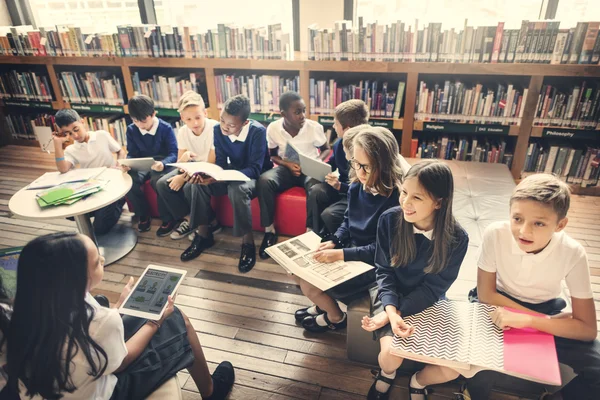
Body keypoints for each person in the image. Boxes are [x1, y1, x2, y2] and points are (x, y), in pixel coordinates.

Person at [5, 232, 234, 400]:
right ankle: (211, 391)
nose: (103, 261)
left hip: (54, 389)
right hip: (107, 392)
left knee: (126, 312)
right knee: (176, 318)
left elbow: (92, 339)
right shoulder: (99, 320)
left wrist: (120, 305)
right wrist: (155, 321)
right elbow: (120, 364)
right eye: (97, 262)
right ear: (76, 280)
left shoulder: (20, 313)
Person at [463, 174, 600, 400]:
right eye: (517, 219)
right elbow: (486, 293)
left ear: (560, 225)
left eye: (539, 223)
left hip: (545, 309)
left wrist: (531, 321)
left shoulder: (573, 252)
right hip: (497, 304)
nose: (524, 232)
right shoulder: (495, 234)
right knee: (478, 369)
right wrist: (541, 321)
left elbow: (587, 330)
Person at [361, 160, 469, 400]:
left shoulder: (457, 238)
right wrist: (390, 310)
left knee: (456, 367)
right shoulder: (389, 220)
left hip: (426, 300)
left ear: (439, 202)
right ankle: (386, 375)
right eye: (404, 192)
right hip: (388, 293)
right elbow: (384, 271)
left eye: (417, 198)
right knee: (391, 356)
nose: (405, 203)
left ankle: (418, 381)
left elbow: (434, 288)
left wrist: (396, 313)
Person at [295, 126, 403, 333]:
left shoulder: (395, 201)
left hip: (373, 265)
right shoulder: (356, 186)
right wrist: (335, 239)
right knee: (295, 272)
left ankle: (335, 316)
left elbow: (382, 251)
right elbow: (347, 220)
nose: (360, 172)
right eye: (355, 163)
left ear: (385, 165)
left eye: (367, 167)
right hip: (353, 251)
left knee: (308, 283)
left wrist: (341, 254)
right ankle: (323, 305)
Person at [180, 95, 271, 273]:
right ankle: (203, 235)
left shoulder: (257, 132)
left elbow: (255, 168)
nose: (224, 127)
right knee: (197, 184)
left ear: (244, 123)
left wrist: (225, 177)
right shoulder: (217, 129)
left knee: (237, 190)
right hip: (230, 172)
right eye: (222, 120)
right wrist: (210, 174)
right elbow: (221, 161)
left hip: (252, 176)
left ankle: (248, 243)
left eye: (230, 125)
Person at [256, 91, 331, 259]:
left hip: (309, 168)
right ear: (283, 114)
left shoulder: (314, 127)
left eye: (304, 110)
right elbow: (272, 155)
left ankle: (310, 233)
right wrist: (286, 164)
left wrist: (317, 160)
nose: (302, 116)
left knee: (316, 189)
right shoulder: (274, 128)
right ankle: (269, 231)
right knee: (264, 181)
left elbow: (326, 149)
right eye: (297, 112)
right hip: (287, 168)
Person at [155, 91, 220, 240]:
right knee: (162, 184)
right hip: (192, 167)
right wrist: (183, 161)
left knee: (190, 185)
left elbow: (210, 165)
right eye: (189, 119)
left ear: (205, 113)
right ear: (183, 119)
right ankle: (190, 220)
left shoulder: (214, 128)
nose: (195, 123)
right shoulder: (183, 132)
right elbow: (180, 164)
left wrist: (183, 177)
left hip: (210, 168)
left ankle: (211, 223)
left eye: (198, 117)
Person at [52, 109, 127, 235]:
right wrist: (57, 144)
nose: (75, 136)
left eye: (76, 129)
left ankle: (117, 204)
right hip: (91, 187)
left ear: (83, 122)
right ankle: (100, 210)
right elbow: (63, 169)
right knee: (70, 214)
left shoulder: (101, 135)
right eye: (68, 133)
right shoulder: (71, 149)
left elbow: (121, 151)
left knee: (98, 230)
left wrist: (119, 165)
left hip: (111, 184)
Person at [307, 99, 369, 236]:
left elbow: (365, 190)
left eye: (335, 124)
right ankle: (313, 233)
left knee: (330, 214)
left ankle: (334, 239)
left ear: (346, 129)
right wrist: (317, 166)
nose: (333, 127)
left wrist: (340, 186)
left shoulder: (368, 151)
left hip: (357, 194)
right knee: (316, 191)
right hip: (341, 187)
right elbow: (333, 162)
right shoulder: (338, 143)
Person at [124, 95, 178, 233]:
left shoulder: (165, 128)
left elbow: (173, 153)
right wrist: (128, 163)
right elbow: (132, 152)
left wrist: (163, 163)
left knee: (157, 181)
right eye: (135, 121)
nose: (140, 125)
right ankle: (143, 214)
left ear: (153, 114)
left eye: (143, 120)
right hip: (142, 163)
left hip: (161, 163)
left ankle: (167, 218)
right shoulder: (131, 129)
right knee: (130, 180)